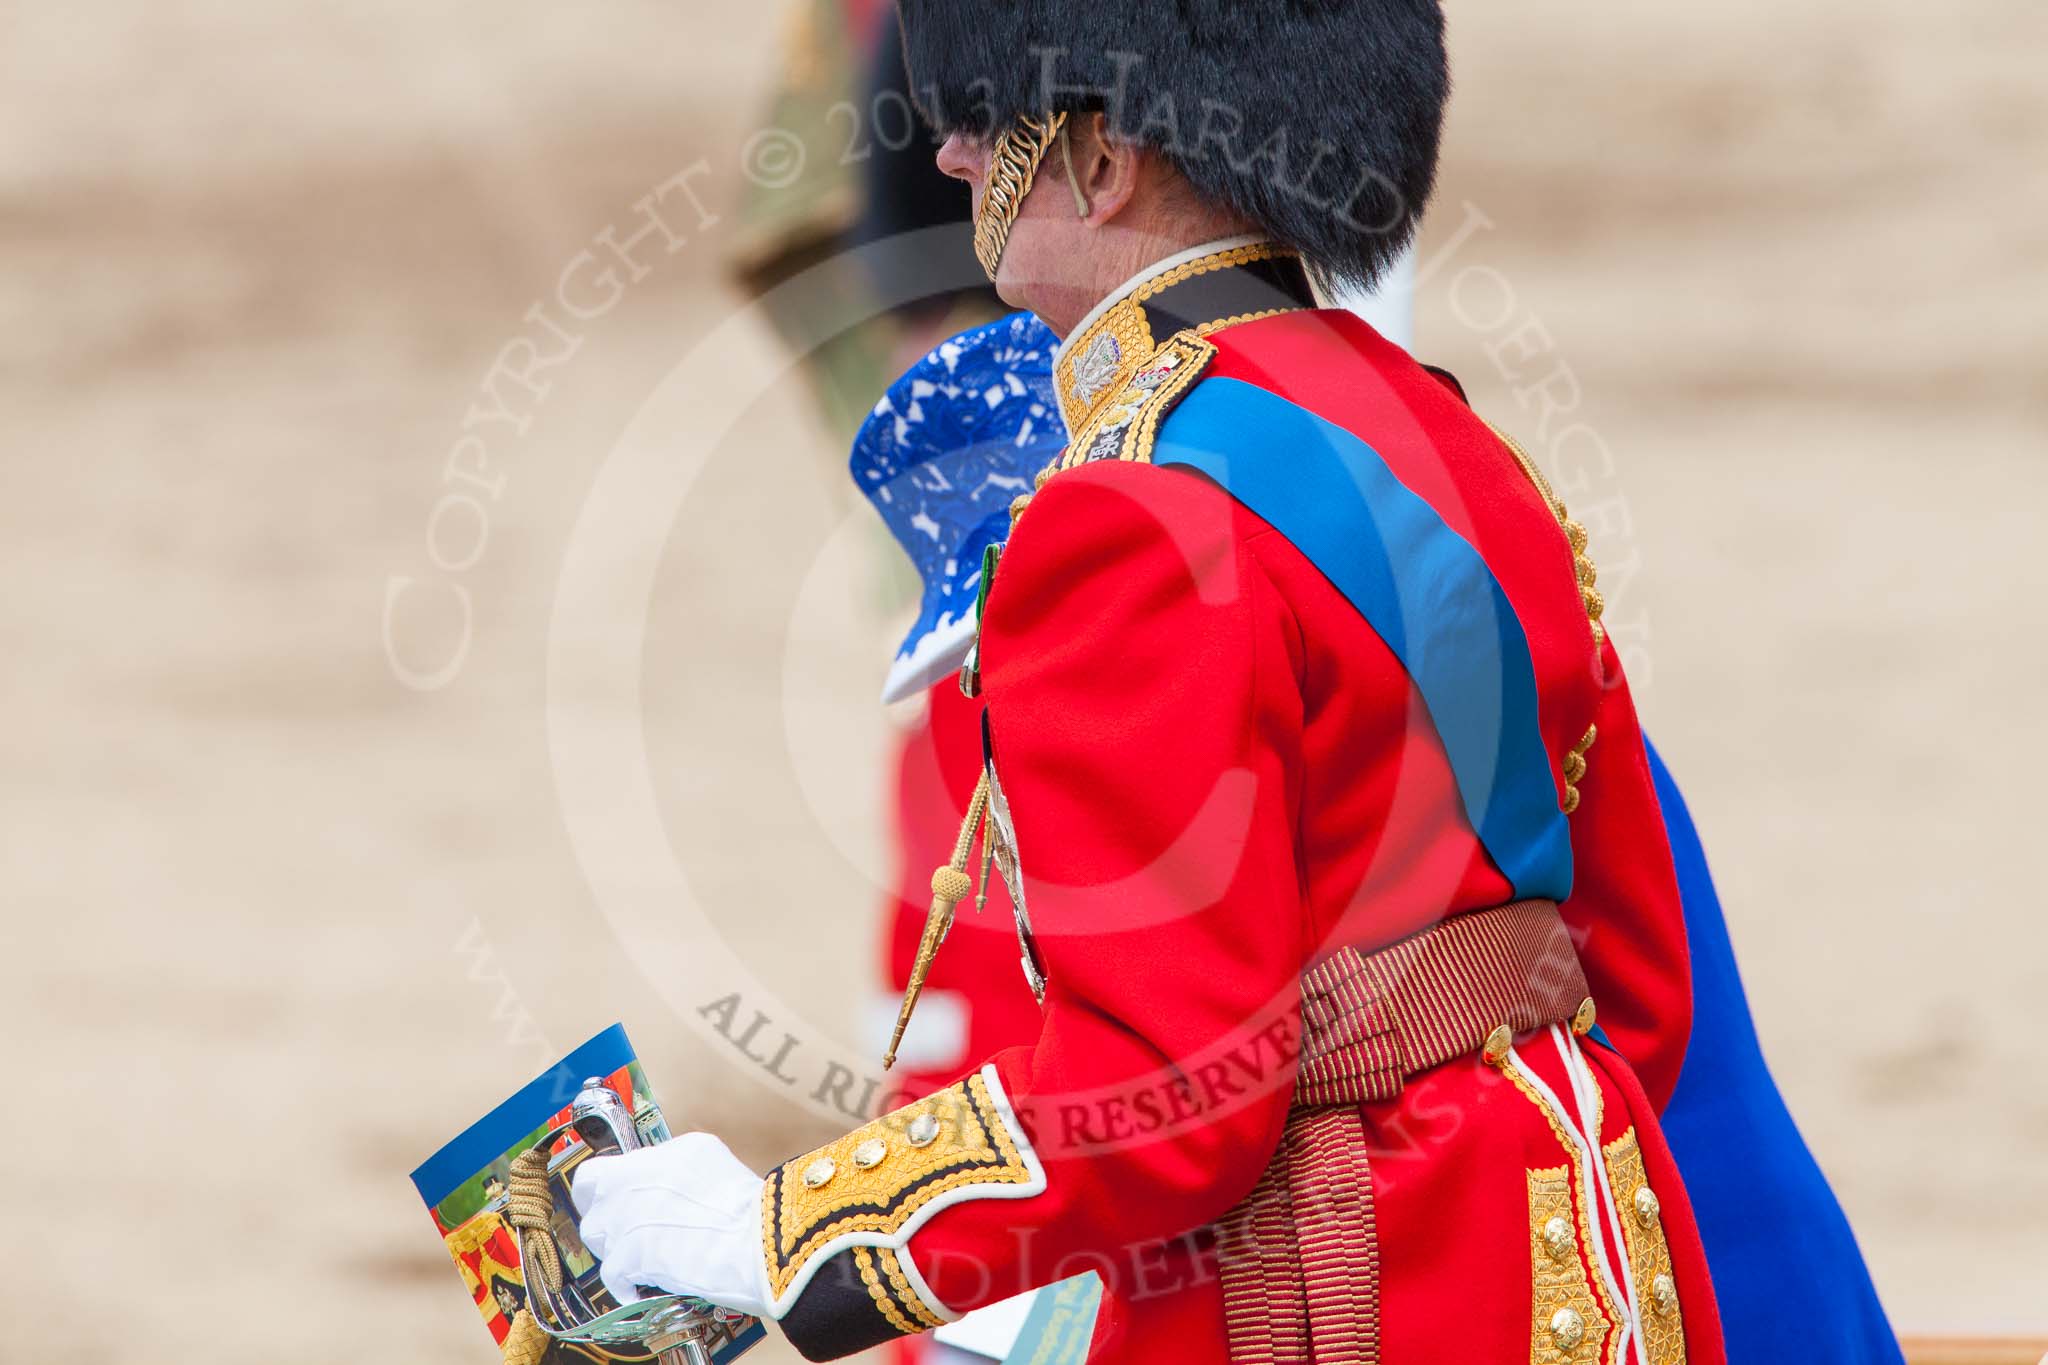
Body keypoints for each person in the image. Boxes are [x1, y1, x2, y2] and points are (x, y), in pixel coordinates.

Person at [572, 4, 1731, 1361]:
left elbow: (1164, 1093)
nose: (949, 157)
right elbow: (1635, 981)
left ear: (1102, 155)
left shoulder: (1125, 513)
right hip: (1574, 1240)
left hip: (1336, 1283)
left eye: (987, 123)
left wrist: (777, 1231)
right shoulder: (1465, 447)